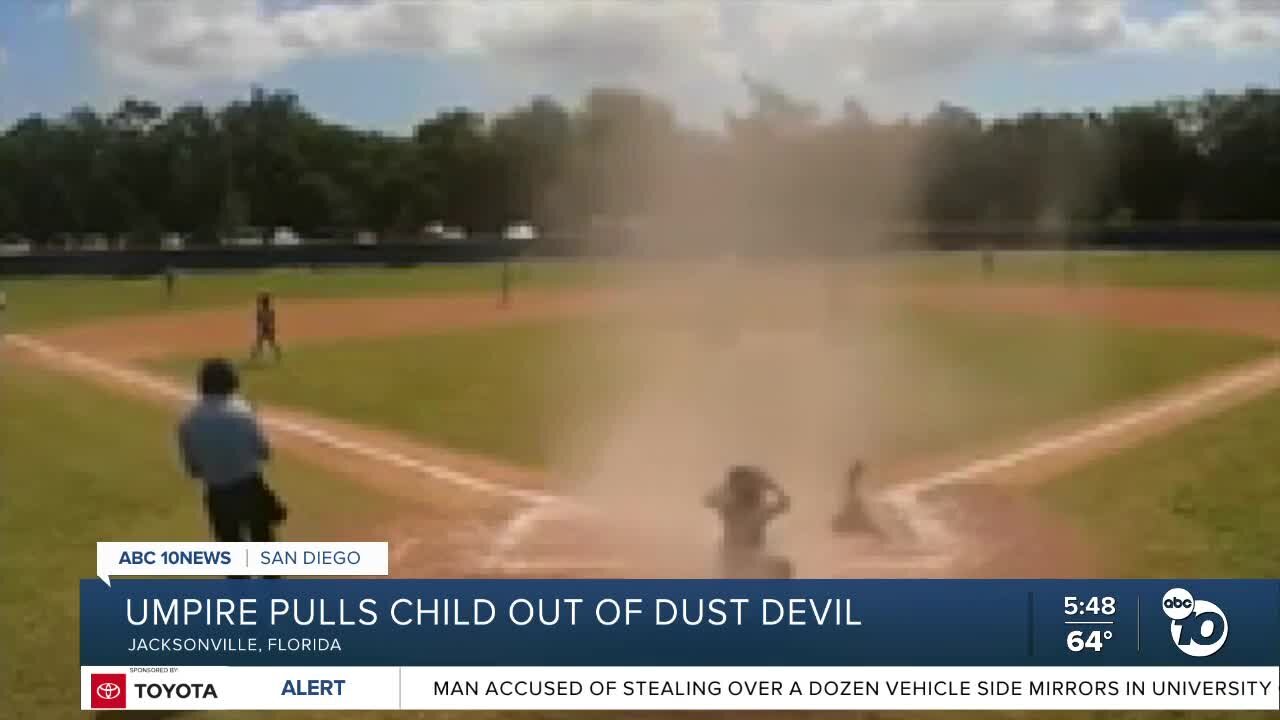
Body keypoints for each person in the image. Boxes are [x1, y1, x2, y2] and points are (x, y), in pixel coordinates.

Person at [177, 358, 286, 577]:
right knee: (265, 550)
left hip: (217, 494)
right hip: (250, 489)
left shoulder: (187, 422)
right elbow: (265, 453)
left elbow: (193, 469)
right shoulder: (243, 413)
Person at [704, 466, 793, 579]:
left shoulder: (732, 509)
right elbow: (784, 503)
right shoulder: (736, 510)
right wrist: (770, 484)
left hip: (741, 558)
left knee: (782, 567)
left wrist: (768, 484)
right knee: (783, 568)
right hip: (737, 559)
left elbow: (710, 499)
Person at [832, 460, 882, 537]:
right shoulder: (855, 516)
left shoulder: (852, 505)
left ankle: (856, 470)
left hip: (854, 513)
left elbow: (851, 490)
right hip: (855, 514)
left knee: (852, 495)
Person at [250, 292, 282, 363]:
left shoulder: (260, 312)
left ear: (263, 304)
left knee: (260, 344)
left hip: (264, 329)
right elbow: (272, 322)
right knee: (270, 344)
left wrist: (259, 299)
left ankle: (255, 357)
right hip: (269, 329)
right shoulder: (271, 311)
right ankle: (277, 355)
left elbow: (259, 322)